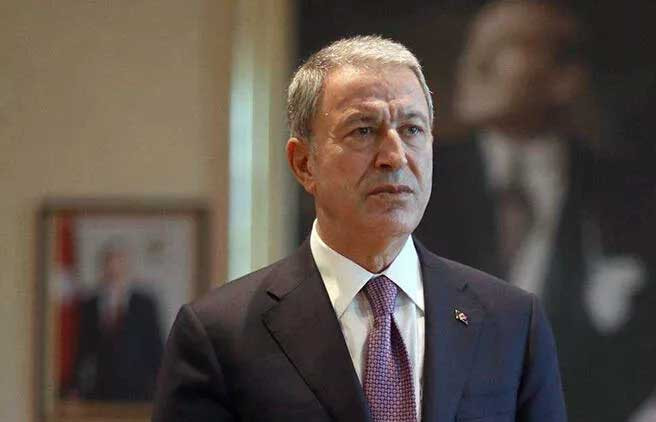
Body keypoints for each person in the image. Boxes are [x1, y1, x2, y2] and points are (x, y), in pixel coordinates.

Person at [153, 36, 566, 421]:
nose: (394, 156)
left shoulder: (512, 322)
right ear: (304, 164)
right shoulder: (217, 334)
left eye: (412, 130)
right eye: (363, 131)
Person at [416, 1, 656, 421]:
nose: (475, 64)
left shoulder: (633, 199)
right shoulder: (416, 183)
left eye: (506, 45)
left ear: (566, 78)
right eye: (473, 47)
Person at [69, 240, 164, 401]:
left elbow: (156, 348)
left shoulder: (145, 303)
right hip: (100, 389)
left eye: (119, 264)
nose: (114, 270)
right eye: (110, 264)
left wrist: (162, 387)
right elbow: (82, 349)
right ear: (103, 268)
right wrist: (75, 385)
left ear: (128, 267)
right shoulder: (90, 304)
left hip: (139, 392)